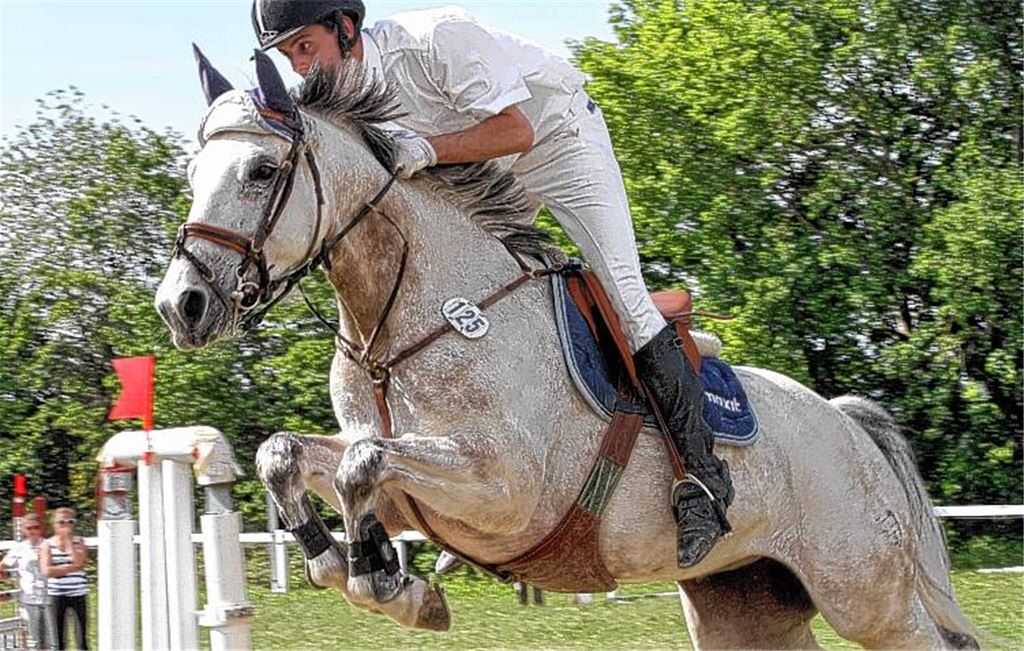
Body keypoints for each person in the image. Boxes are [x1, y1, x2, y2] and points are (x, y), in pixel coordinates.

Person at [251, 0, 735, 567]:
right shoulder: (347, 101)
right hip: (483, 164)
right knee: (478, 294)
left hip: (557, 140)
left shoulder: (437, 39)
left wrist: (427, 149)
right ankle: (482, 478)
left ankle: (703, 482)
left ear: (346, 26)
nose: (300, 68)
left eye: (304, 47)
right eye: (288, 57)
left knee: (627, 301)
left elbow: (515, 129)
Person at [39, 508, 88, 650]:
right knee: (59, 639)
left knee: (81, 639)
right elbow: (46, 571)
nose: (66, 525)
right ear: (54, 524)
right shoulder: (47, 544)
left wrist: (68, 542)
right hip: (57, 595)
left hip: (78, 593)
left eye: (70, 521)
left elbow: (79, 562)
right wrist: (70, 568)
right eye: (61, 522)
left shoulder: (79, 541)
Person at [0, 513, 49, 650]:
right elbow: (3, 566)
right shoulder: (19, 548)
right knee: (34, 638)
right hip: (28, 597)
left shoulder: (48, 545)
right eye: (29, 528)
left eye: (36, 527)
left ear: (41, 528)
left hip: (49, 596)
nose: (33, 531)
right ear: (24, 530)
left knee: (49, 639)